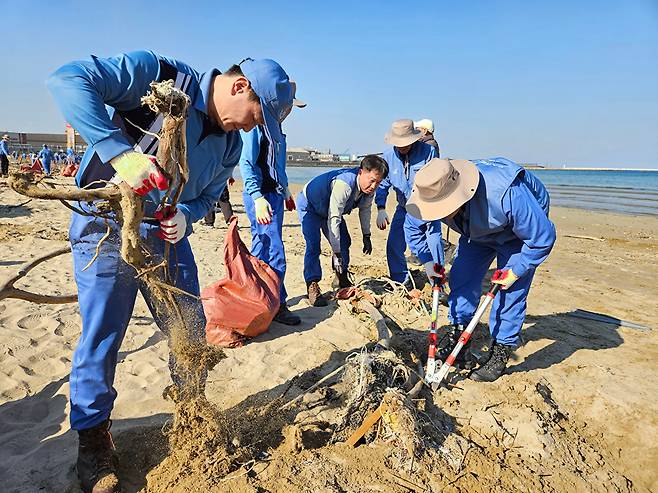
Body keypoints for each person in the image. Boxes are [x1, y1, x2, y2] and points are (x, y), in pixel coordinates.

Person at [47, 50, 298, 493]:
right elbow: (67, 79)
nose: (254, 128)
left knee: (190, 328)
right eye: (257, 116)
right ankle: (93, 438)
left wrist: (186, 212)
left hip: (166, 237)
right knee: (104, 330)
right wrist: (118, 152)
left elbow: (207, 198)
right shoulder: (159, 76)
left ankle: (192, 410)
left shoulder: (231, 145)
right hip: (106, 223)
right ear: (240, 87)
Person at [406, 157, 556, 382]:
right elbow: (413, 227)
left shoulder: (506, 193)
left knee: (509, 290)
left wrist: (516, 271)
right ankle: (460, 336)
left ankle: (501, 349)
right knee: (461, 277)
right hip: (474, 231)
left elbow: (542, 238)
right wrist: (428, 262)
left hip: (517, 233)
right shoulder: (428, 188)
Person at [239, 88, 305, 325]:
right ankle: (277, 304)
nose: (289, 111)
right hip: (262, 197)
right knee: (272, 248)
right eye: (288, 106)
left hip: (274, 194)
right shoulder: (256, 126)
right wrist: (257, 197)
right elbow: (247, 162)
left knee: (262, 246)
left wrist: (285, 189)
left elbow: (277, 164)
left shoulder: (275, 127)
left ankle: (259, 298)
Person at [297, 155, 388, 306]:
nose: (373, 186)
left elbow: (365, 210)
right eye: (371, 180)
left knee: (345, 241)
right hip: (310, 206)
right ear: (361, 172)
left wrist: (367, 235)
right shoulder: (344, 185)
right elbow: (334, 218)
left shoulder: (369, 191)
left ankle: (341, 276)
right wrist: (336, 252)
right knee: (313, 245)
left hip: (329, 210)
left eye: (378, 183)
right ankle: (312, 284)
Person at [375, 119, 443, 286]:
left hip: (427, 206)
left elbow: (436, 180)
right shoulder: (389, 156)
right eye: (398, 143)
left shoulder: (429, 151)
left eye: (406, 143)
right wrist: (381, 208)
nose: (402, 146)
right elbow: (382, 185)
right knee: (393, 244)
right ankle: (401, 280)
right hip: (404, 207)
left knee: (433, 242)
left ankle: (438, 282)